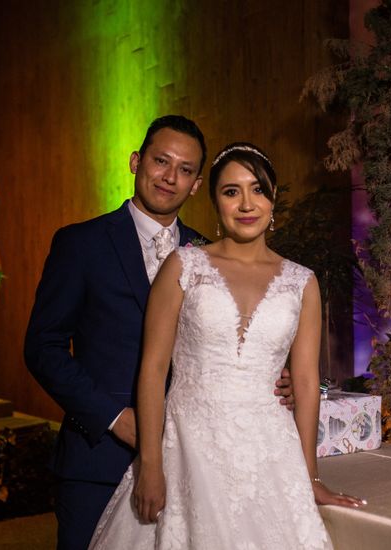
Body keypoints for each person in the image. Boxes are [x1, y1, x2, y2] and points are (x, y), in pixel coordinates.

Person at [24, 117, 297, 550]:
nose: (170, 176)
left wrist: (275, 382)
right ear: (136, 162)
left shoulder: (208, 257)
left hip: (195, 463)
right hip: (99, 458)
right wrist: (115, 418)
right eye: (160, 161)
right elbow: (43, 348)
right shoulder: (81, 244)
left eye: (185, 169)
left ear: (195, 185)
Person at [88, 142, 364, 550]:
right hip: (188, 448)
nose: (246, 203)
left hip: (270, 455)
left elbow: (305, 384)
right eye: (231, 191)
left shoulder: (302, 282)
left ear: (272, 200)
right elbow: (152, 369)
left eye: (258, 190)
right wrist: (150, 463)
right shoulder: (183, 266)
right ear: (215, 201)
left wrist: (311, 477)